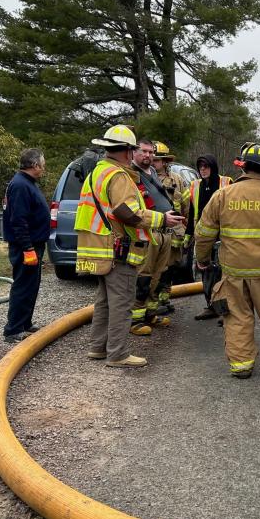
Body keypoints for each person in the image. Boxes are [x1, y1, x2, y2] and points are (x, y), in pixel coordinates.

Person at [74, 125, 184, 368]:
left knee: (104, 301)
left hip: (100, 249)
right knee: (122, 303)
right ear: (126, 152)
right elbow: (127, 212)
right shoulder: (119, 175)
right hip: (117, 250)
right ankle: (118, 354)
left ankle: (98, 348)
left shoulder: (97, 172)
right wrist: (162, 219)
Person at [194, 143, 260, 378]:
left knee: (237, 318)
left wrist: (202, 260)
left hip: (234, 273)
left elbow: (203, 234)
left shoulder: (222, 196)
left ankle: (241, 366)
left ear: (242, 166)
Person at [2, 148, 50, 343]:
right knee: (23, 287)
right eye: (43, 164)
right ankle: (13, 330)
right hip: (26, 246)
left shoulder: (27, 183)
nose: (44, 168)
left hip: (34, 243)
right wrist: (28, 248)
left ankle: (25, 323)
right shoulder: (21, 185)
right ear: (35, 165)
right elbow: (18, 220)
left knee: (31, 286)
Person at [129, 139, 175, 336]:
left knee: (159, 274)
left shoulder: (153, 173)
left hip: (164, 232)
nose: (147, 155)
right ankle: (135, 319)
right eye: (143, 151)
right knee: (144, 276)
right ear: (133, 152)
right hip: (148, 232)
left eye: (150, 152)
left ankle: (150, 313)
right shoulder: (131, 175)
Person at [189, 154, 232, 320]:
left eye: (206, 166)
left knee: (223, 273)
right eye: (200, 167)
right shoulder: (195, 186)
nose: (202, 170)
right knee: (206, 273)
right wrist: (188, 237)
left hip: (224, 237)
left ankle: (224, 309)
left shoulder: (226, 183)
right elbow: (192, 212)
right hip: (204, 237)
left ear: (213, 167)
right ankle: (211, 306)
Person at [152, 141, 191, 316]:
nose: (153, 163)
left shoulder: (178, 180)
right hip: (154, 232)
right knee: (154, 268)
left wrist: (185, 226)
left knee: (170, 268)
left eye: (157, 160)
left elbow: (186, 207)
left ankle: (164, 298)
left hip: (174, 232)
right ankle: (150, 302)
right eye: (152, 160)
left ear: (166, 161)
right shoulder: (145, 178)